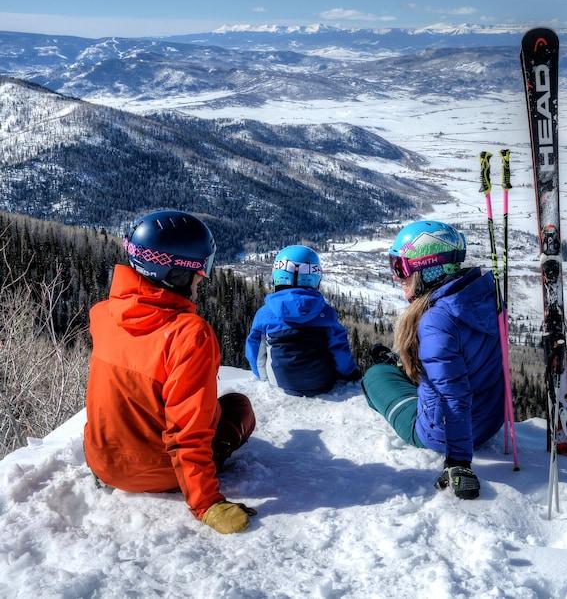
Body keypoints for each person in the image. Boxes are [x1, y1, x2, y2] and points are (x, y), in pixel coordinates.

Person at [84, 210, 257, 535]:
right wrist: (206, 503)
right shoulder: (189, 334)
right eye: (199, 270)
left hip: (103, 464)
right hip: (161, 472)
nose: (202, 278)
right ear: (175, 274)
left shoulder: (102, 315)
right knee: (238, 408)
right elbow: (188, 432)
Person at [362, 220, 504, 499]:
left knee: (374, 376)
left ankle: (383, 375)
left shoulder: (436, 321)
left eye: (401, 268)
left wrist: (458, 462)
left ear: (428, 268)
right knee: (408, 370)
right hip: (490, 420)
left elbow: (453, 397)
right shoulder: (485, 296)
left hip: (445, 433)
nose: (397, 277)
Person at [245, 245, 360, 396]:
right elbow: (339, 350)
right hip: (323, 383)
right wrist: (349, 374)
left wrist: (263, 378)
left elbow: (255, 351)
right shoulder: (325, 313)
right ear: (315, 276)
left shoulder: (265, 314)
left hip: (279, 383)